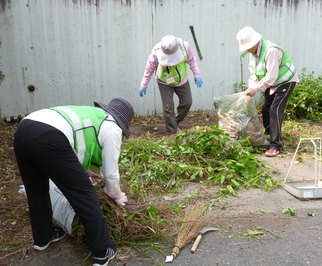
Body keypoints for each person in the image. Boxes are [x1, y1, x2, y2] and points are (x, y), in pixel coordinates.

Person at [13, 97, 134, 266]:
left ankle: (43, 238)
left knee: (36, 190)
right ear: (122, 122)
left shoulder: (92, 116)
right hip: (50, 136)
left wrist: (85, 172)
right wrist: (115, 192)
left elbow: (71, 146)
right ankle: (103, 251)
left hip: (24, 129)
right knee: (85, 195)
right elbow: (111, 171)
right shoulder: (112, 127)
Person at [236, 26, 299, 157]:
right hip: (272, 82)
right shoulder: (252, 54)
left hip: (285, 81)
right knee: (265, 108)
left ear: (254, 43)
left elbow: (271, 77)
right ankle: (270, 134)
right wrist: (250, 88)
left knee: (274, 110)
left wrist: (255, 89)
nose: (247, 49)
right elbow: (254, 73)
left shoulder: (271, 51)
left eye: (248, 46)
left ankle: (276, 145)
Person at [138, 35, 203, 135]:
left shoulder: (184, 46)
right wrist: (144, 84)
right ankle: (172, 132)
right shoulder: (156, 51)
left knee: (187, 102)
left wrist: (197, 74)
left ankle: (174, 122)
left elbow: (192, 60)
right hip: (164, 82)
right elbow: (149, 68)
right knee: (168, 107)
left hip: (181, 80)